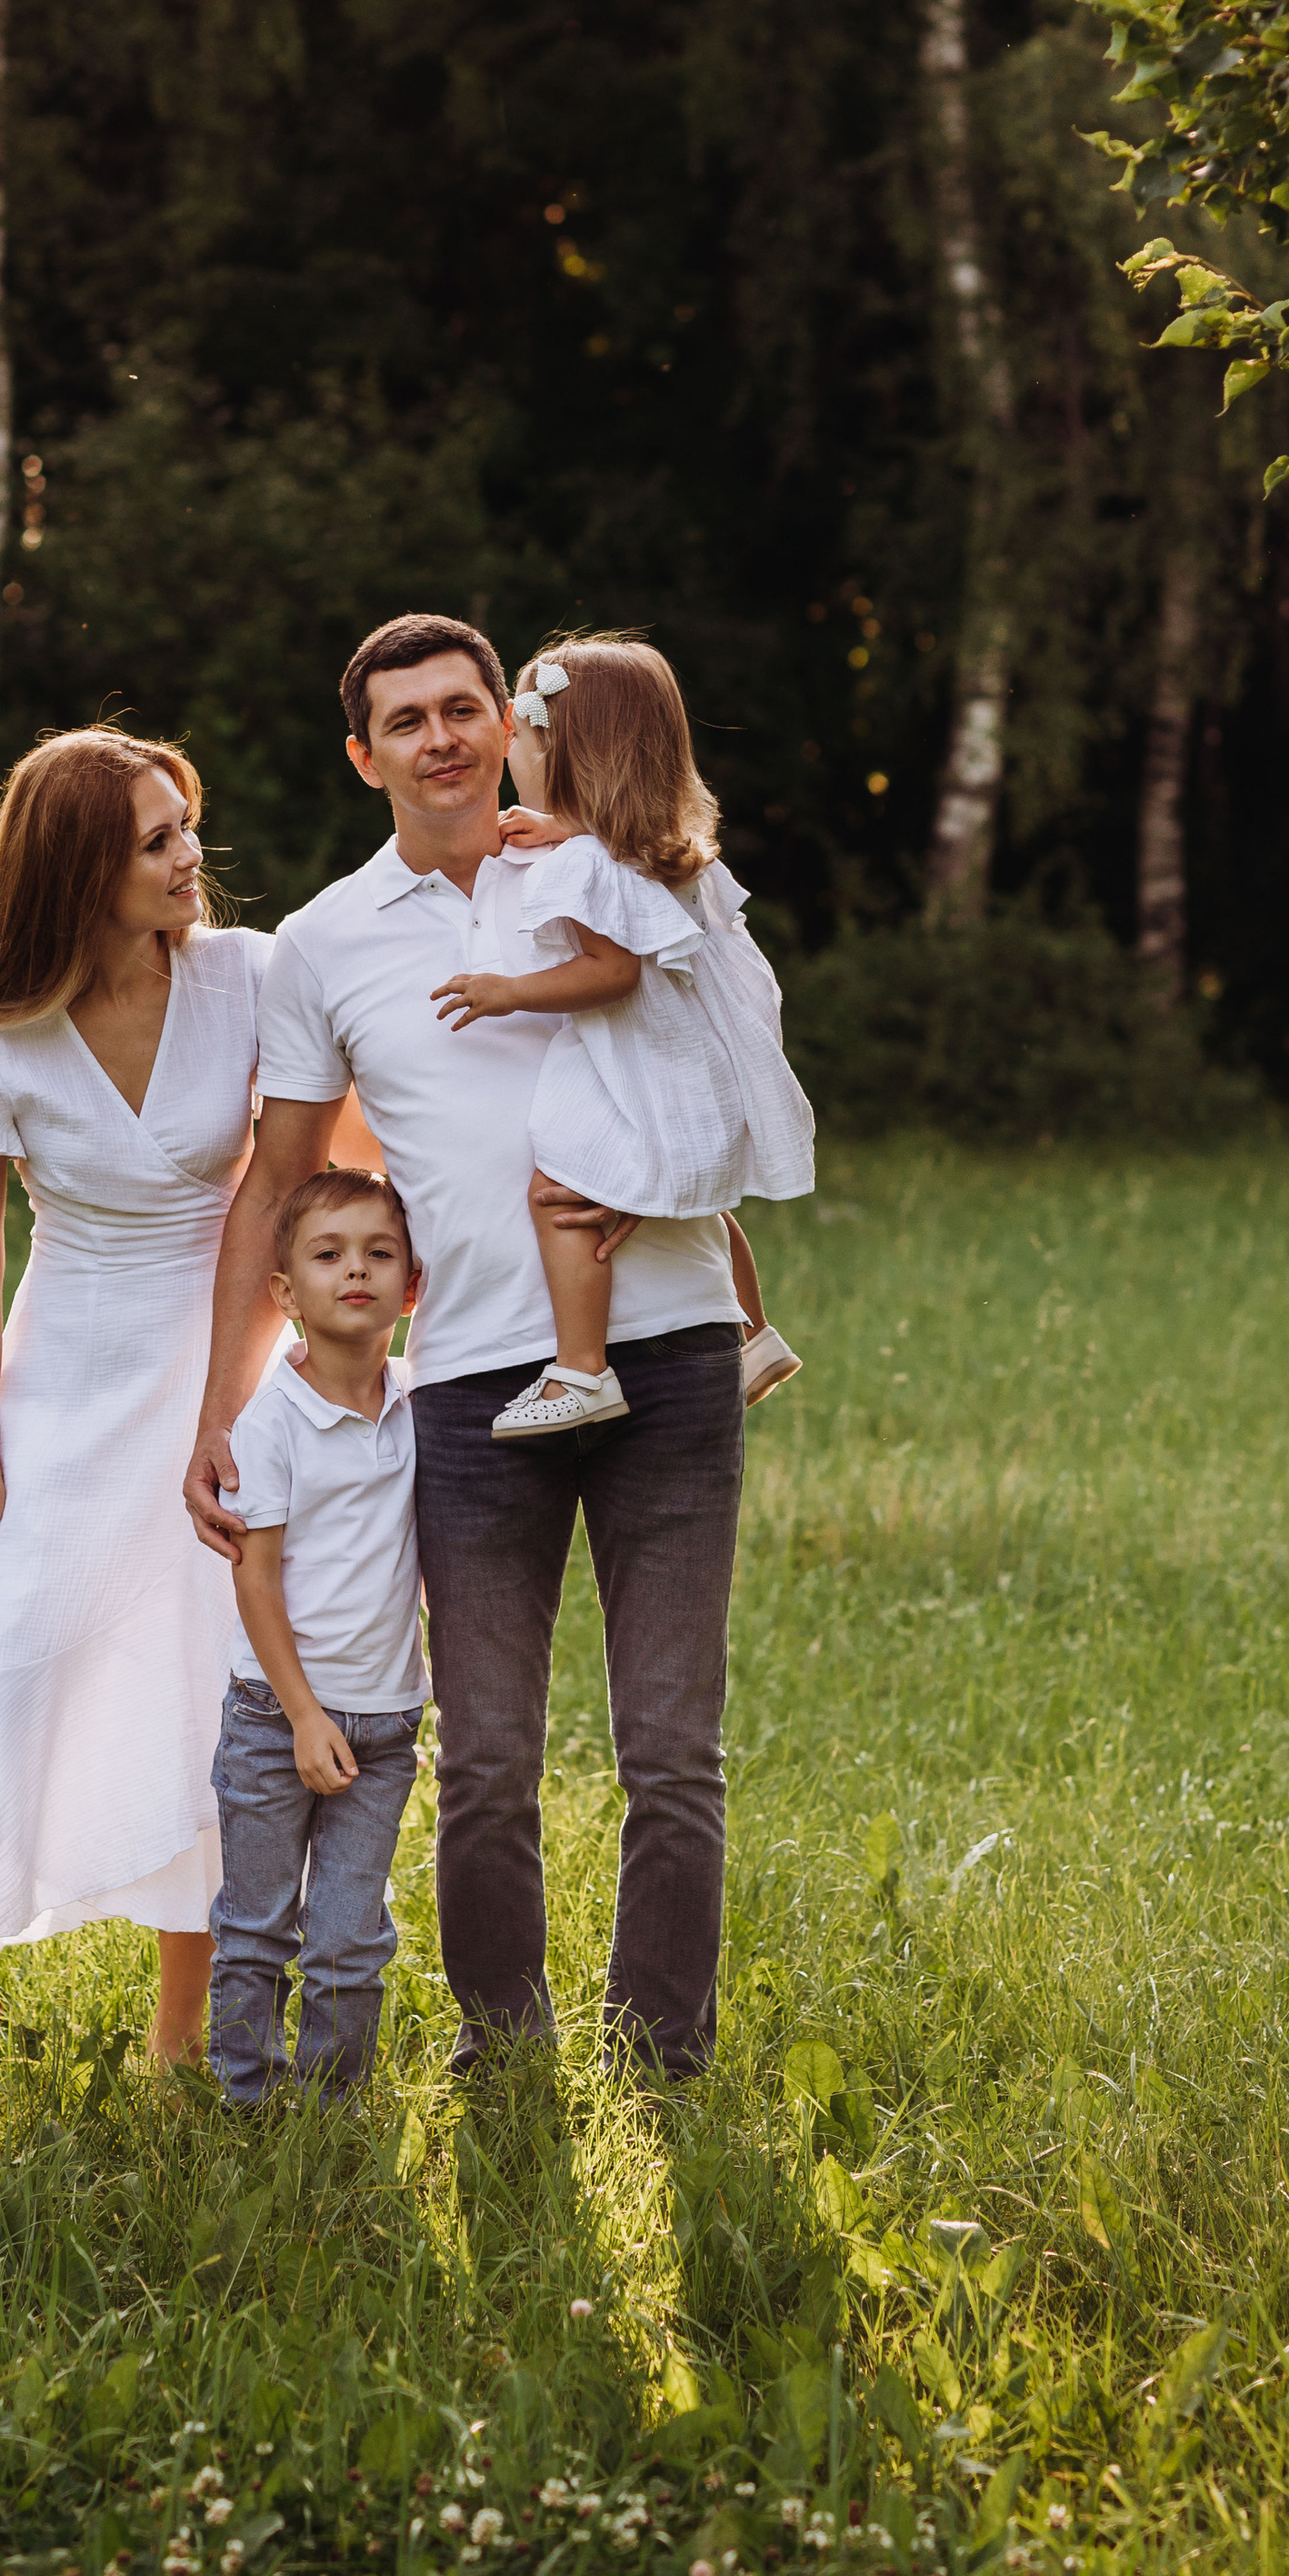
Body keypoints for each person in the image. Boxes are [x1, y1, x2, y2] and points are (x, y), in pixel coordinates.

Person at [184, 612, 748, 2083]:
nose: (440, 736)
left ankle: (661, 2057)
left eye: (462, 706)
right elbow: (283, 1182)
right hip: (479, 1383)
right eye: (407, 718)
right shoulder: (324, 943)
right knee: (487, 1756)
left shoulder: (619, 873)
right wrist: (224, 1401)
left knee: (672, 1752)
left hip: (676, 1350)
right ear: (364, 754)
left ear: (509, 720)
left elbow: (738, 1068)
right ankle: (505, 2050)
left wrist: (666, 1177)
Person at [0, 727, 278, 2092]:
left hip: (223, 1378)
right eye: (156, 840)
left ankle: (178, 2043)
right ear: (79, 868)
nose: (189, 856)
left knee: (207, 1687)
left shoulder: (251, 979)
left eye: (185, 826)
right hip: (71, 1385)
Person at [428, 636, 814, 1436]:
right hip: (695, 1059)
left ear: (553, 751)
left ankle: (582, 1368)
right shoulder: (658, 854)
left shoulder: (581, 868)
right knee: (693, 1193)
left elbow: (613, 973)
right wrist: (565, 828)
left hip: (636, 1054)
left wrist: (510, 992)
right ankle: (754, 1331)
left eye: (523, 742)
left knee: (556, 1186)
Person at [210, 1168, 427, 2105]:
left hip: (384, 1725)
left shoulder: (425, 1402)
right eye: (329, 1255)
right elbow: (253, 1577)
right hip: (273, 1716)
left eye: (380, 1255)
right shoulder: (271, 1420)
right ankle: (243, 2102)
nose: (356, 1272)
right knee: (258, 1924)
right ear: (285, 1293)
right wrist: (301, 1717)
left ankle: (331, 2112)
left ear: (412, 1287)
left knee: (351, 1935)